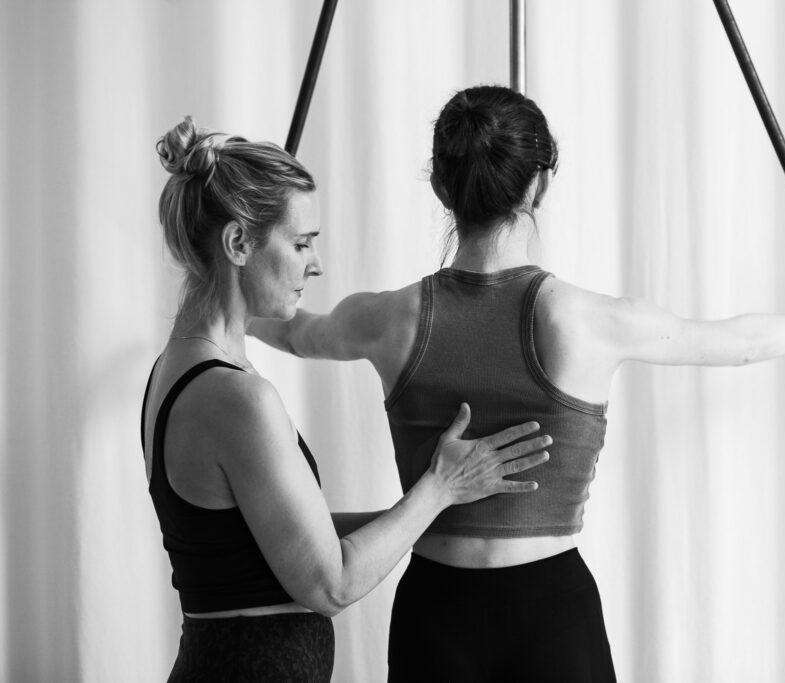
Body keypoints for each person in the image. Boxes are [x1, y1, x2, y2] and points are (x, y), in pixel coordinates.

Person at [249, 85, 785, 682]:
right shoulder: (584, 320)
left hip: (435, 612)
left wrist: (226, 282)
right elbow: (732, 344)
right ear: (537, 186)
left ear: (441, 187)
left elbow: (293, 330)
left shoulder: (388, 317)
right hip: (551, 615)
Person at [143, 116, 552, 682]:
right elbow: (330, 583)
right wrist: (437, 490)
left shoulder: (178, 367)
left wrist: (429, 515)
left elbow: (279, 530)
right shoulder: (237, 396)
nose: (316, 263)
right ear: (238, 242)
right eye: (301, 242)